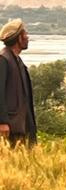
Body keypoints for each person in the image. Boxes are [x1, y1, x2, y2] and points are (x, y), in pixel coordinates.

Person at [0, 19, 36, 147]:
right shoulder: (3, 59)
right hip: (10, 127)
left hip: (20, 126)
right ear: (19, 38)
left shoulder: (17, 60)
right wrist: (2, 122)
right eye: (25, 34)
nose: (27, 37)